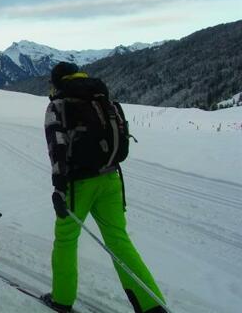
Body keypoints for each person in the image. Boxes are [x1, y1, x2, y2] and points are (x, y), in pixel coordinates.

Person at [42, 62, 166, 313]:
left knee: (66, 240)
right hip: (112, 178)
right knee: (120, 241)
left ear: (57, 82)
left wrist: (59, 187)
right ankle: (152, 305)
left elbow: (58, 148)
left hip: (79, 184)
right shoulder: (102, 98)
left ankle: (62, 299)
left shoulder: (59, 104)